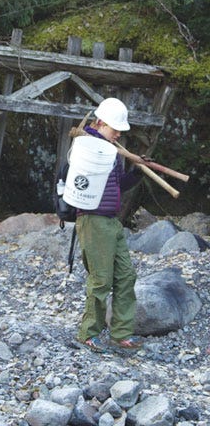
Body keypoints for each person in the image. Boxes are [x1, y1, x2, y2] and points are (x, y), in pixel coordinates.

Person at [76, 98, 146, 353]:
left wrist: (137, 172)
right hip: (92, 219)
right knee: (101, 280)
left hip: (111, 220)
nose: (118, 134)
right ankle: (88, 334)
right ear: (101, 122)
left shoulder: (112, 150)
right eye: (115, 129)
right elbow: (80, 180)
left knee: (126, 275)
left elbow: (118, 186)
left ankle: (121, 334)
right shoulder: (87, 146)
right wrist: (103, 148)